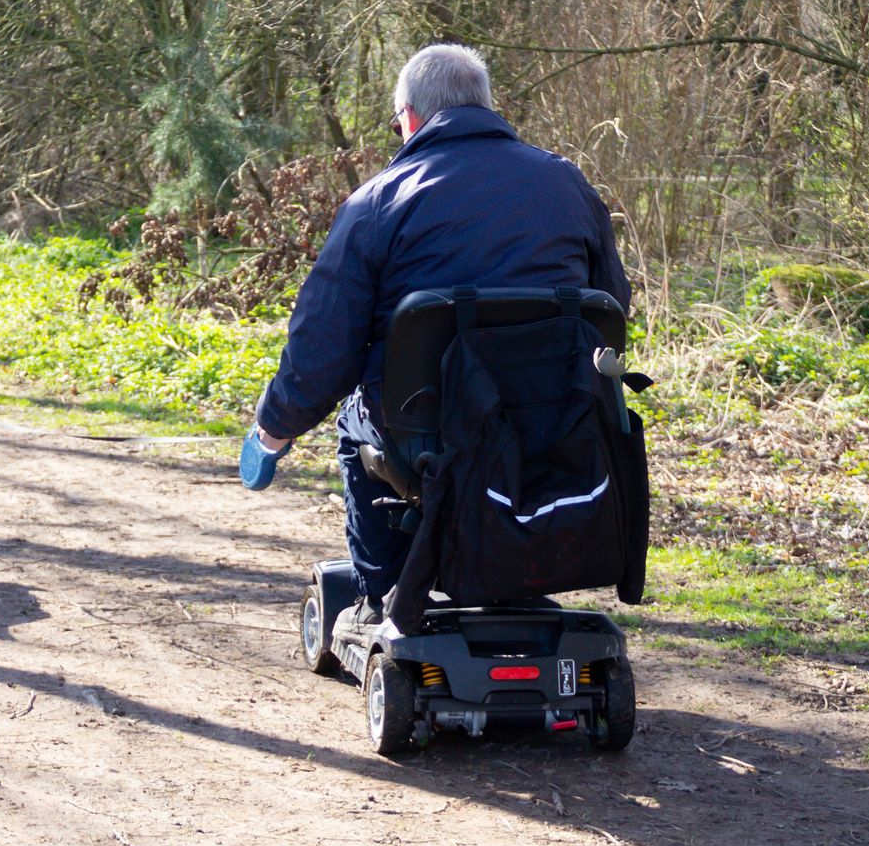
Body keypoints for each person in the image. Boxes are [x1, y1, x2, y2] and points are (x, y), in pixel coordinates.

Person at [239, 42, 631, 631]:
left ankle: (384, 589)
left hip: (425, 434)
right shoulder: (567, 184)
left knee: (356, 417)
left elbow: (323, 350)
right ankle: (517, 575)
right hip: (558, 421)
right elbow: (611, 307)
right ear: (484, 106)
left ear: (412, 116)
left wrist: (272, 432)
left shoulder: (377, 202)